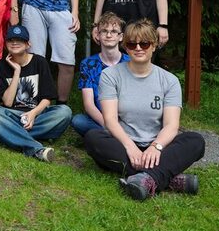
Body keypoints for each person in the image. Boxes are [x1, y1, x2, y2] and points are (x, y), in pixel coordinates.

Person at [84, 19, 205, 200]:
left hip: (158, 145)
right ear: (125, 47)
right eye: (132, 44)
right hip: (124, 144)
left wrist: (156, 147)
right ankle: (168, 178)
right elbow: (109, 120)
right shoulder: (110, 75)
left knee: (196, 141)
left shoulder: (169, 80)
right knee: (93, 138)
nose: (138, 48)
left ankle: (145, 177)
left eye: (144, 43)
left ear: (154, 46)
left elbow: (172, 125)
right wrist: (131, 147)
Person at [0, 25, 71, 162]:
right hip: (12, 115)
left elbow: (47, 98)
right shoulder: (0, 66)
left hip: (37, 115)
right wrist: (17, 71)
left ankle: (11, 134)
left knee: (64, 112)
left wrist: (33, 114)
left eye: (19, 40)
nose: (14, 43)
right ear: (6, 44)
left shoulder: (39, 62)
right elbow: (7, 102)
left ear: (28, 44)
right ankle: (35, 147)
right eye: (11, 40)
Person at [71, 12, 129, 137]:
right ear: (98, 34)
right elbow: (89, 105)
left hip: (127, 119)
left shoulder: (130, 62)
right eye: (104, 31)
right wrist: (109, 125)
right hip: (100, 119)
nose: (109, 35)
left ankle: (109, 136)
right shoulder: (88, 64)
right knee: (78, 121)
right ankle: (115, 135)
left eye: (114, 31)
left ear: (121, 37)